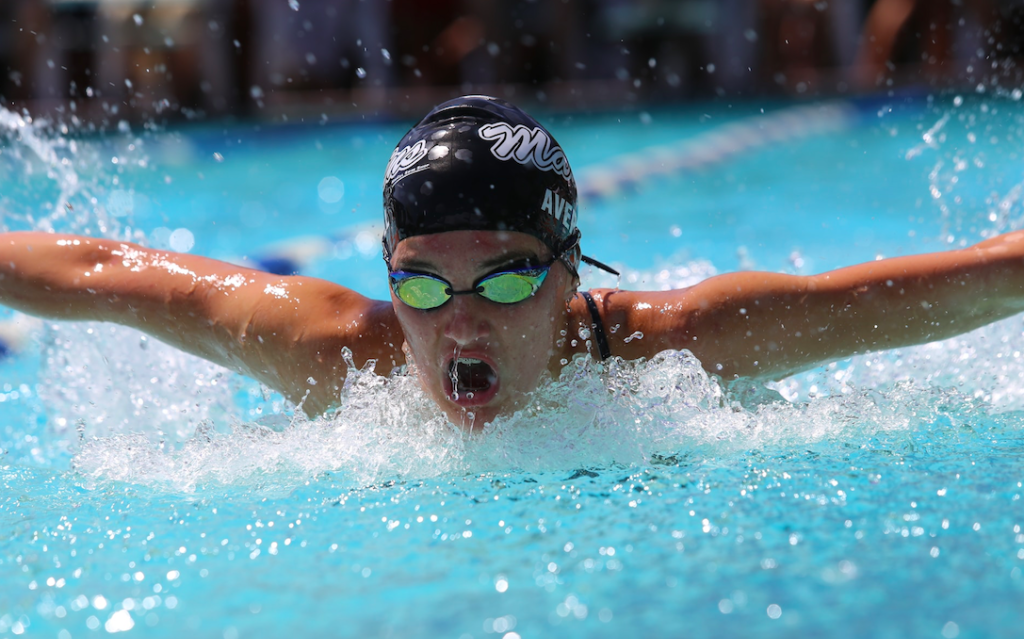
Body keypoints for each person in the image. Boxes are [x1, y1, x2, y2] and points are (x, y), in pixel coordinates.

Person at [2, 94, 1023, 430]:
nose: (460, 322)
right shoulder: (344, 359)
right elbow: (105, 273)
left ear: (571, 272)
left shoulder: (674, 350)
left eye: (502, 277)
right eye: (420, 284)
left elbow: (957, 285)